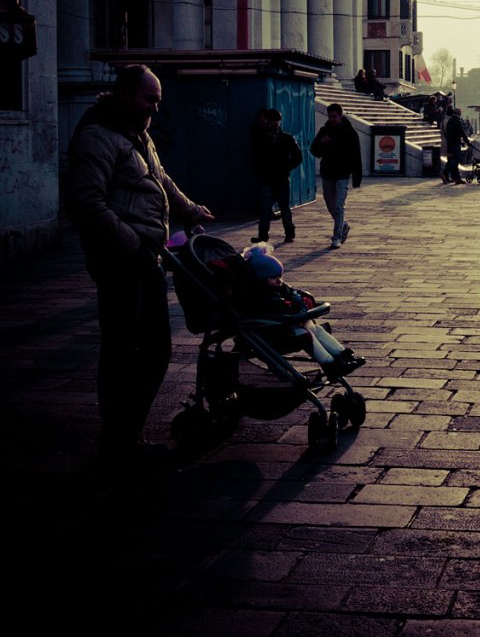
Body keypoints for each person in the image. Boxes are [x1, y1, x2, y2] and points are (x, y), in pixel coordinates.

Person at [66, 64, 214, 462]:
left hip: (147, 256)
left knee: (153, 349)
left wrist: (190, 210)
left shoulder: (137, 135)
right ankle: (118, 442)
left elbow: (161, 179)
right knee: (124, 350)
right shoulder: (97, 137)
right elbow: (85, 203)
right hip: (121, 259)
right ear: (125, 94)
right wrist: (132, 245)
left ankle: (126, 436)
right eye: (149, 99)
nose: (155, 108)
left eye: (158, 101)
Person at [240, 245, 364, 378]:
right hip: (276, 333)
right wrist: (295, 308)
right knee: (306, 335)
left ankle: (342, 354)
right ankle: (329, 364)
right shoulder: (261, 296)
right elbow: (279, 308)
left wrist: (305, 299)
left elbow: (295, 294)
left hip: (289, 327)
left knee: (317, 329)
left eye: (280, 276)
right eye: (273, 277)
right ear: (261, 279)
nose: (279, 280)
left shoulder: (280, 288)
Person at [311, 102, 363, 249]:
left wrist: (356, 178)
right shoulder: (324, 131)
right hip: (328, 173)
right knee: (331, 205)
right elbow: (314, 150)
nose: (332, 119)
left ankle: (337, 237)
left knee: (339, 206)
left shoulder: (349, 132)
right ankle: (343, 225)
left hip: (343, 173)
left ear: (340, 116)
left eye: (334, 116)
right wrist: (322, 143)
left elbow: (356, 155)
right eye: (330, 117)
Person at [250, 108, 302, 244]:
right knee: (265, 209)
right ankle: (263, 235)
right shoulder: (260, 138)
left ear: (279, 122)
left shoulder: (286, 138)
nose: (272, 123)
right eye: (269, 120)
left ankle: (289, 233)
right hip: (267, 178)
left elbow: (298, 156)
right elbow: (256, 157)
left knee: (284, 208)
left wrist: (286, 167)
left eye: (274, 121)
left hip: (281, 178)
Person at [442, 106, 469, 184]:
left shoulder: (450, 121)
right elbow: (461, 132)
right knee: (455, 160)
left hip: (450, 144)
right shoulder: (457, 121)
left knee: (451, 160)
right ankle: (444, 173)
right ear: (459, 114)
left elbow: (452, 133)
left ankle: (456, 179)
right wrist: (467, 141)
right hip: (455, 145)